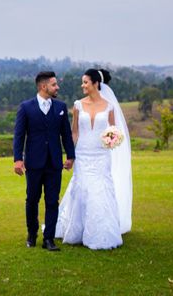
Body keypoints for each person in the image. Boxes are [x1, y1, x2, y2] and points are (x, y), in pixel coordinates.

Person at [55, 68, 133, 250]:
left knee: (99, 192)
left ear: (96, 84)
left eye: (85, 82)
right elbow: (75, 132)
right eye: (82, 82)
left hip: (101, 155)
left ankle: (100, 233)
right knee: (82, 190)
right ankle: (79, 231)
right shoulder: (78, 105)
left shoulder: (109, 106)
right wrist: (70, 154)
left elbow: (114, 130)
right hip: (82, 153)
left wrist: (111, 140)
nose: (82, 85)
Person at [13, 71, 76, 251]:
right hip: (33, 162)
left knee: (52, 201)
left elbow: (66, 135)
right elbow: (19, 135)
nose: (57, 87)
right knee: (32, 200)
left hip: (54, 163)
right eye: (54, 84)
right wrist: (18, 159)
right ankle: (32, 234)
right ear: (43, 86)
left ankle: (49, 238)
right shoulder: (26, 107)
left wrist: (70, 156)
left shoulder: (61, 107)